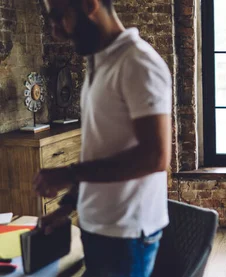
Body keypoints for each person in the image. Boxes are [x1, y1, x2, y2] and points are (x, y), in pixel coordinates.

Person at [35, 0, 172, 275]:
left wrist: (68, 174)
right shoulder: (100, 62)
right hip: (99, 228)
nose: (56, 32)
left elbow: (155, 157)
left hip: (126, 236)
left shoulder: (138, 63)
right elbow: (98, 153)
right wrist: (67, 207)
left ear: (89, 5)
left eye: (61, 17)